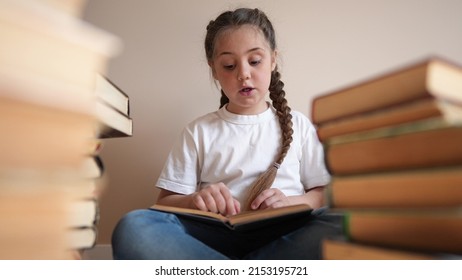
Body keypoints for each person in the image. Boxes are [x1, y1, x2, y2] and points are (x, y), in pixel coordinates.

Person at [111, 7, 343, 260]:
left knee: (344, 220)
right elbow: (165, 202)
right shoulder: (199, 131)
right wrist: (195, 200)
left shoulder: (299, 125)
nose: (243, 74)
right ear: (214, 69)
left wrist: (294, 202)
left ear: (273, 59)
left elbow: (323, 195)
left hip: (284, 235)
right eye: (229, 65)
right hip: (214, 239)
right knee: (135, 226)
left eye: (255, 61)